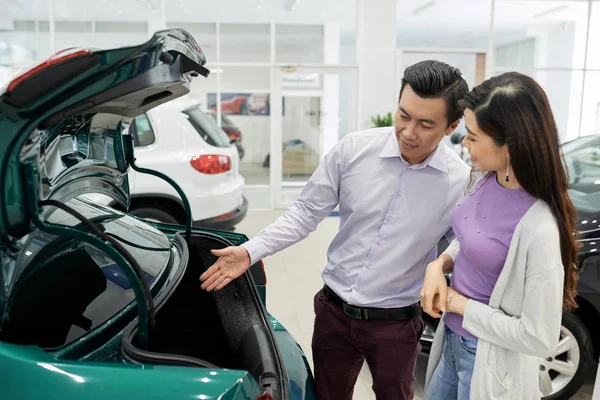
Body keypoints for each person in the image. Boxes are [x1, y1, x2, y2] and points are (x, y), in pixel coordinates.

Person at [199, 60, 470, 400]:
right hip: (334, 313)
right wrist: (251, 250)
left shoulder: (459, 181)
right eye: (403, 115)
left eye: (426, 124)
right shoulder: (354, 150)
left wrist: (441, 264)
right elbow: (305, 213)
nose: (408, 132)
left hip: (397, 325)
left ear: (451, 126)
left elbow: (463, 244)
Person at [420, 72, 579, 400]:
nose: (464, 143)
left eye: (473, 136)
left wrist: (458, 304)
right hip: (450, 340)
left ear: (509, 145)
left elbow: (540, 338)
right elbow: (473, 237)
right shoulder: (486, 179)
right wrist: (440, 263)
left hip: (487, 359)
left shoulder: (540, 227)